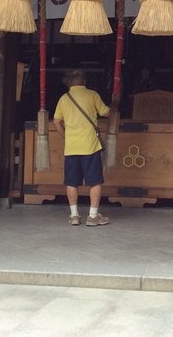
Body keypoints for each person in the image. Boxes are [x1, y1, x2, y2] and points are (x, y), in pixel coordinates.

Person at [52, 69, 111, 227]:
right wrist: (116, 102)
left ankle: (74, 215)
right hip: (90, 146)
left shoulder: (64, 99)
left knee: (71, 182)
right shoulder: (92, 95)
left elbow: (57, 121)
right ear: (85, 81)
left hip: (71, 147)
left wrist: (66, 136)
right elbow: (106, 112)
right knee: (95, 181)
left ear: (70, 82)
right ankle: (93, 216)